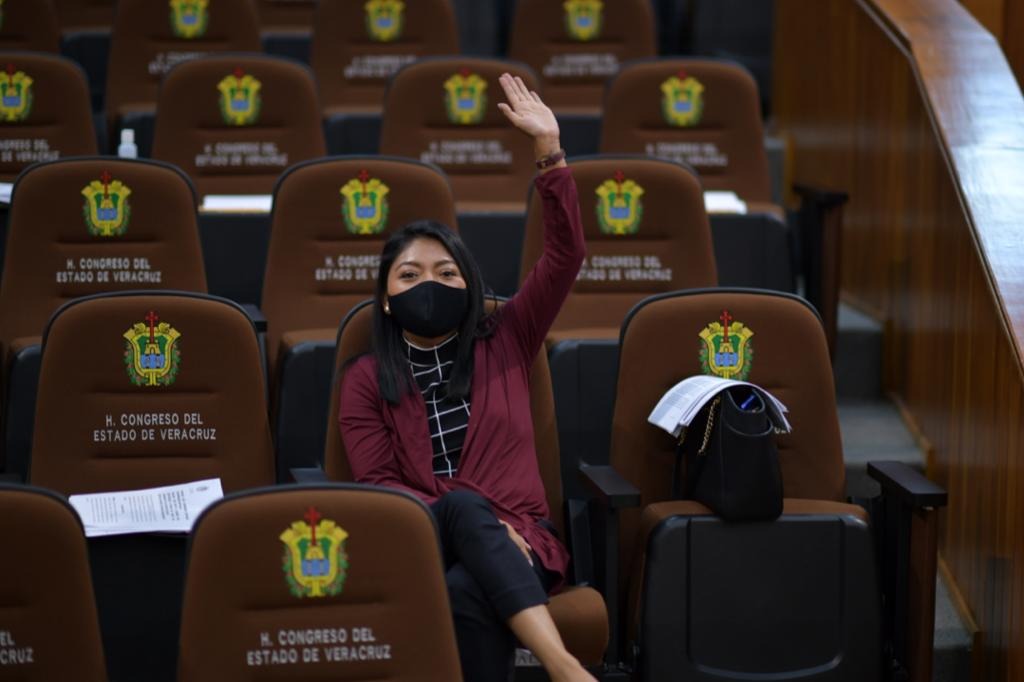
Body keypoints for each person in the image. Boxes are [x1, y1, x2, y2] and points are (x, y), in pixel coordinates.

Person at [338, 73, 594, 682]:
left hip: (524, 543)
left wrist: (549, 152)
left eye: (447, 273)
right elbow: (379, 485)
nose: (429, 284)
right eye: (409, 275)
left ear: (472, 288)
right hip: (421, 540)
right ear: (386, 301)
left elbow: (564, 257)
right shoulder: (366, 379)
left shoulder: (508, 337)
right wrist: (476, 514)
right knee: (466, 511)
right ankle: (565, 666)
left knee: (464, 592)